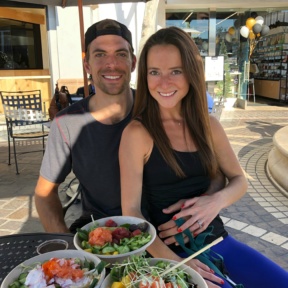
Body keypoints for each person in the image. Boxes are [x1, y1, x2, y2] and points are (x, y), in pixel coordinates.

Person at [34, 18, 224, 285]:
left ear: (134, 62)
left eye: (120, 54)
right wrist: (70, 250)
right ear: (87, 64)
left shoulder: (161, 105)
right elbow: (44, 195)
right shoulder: (66, 124)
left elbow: (212, 170)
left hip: (173, 239)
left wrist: (203, 204)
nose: (111, 64)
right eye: (100, 54)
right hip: (109, 244)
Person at [119, 26, 288, 288]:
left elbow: (238, 180)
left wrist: (214, 202)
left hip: (220, 241)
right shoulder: (137, 132)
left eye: (175, 71)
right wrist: (175, 263)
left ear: (191, 73)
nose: (164, 83)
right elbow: (130, 211)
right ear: (144, 76)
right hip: (173, 256)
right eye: (154, 72)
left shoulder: (209, 125)